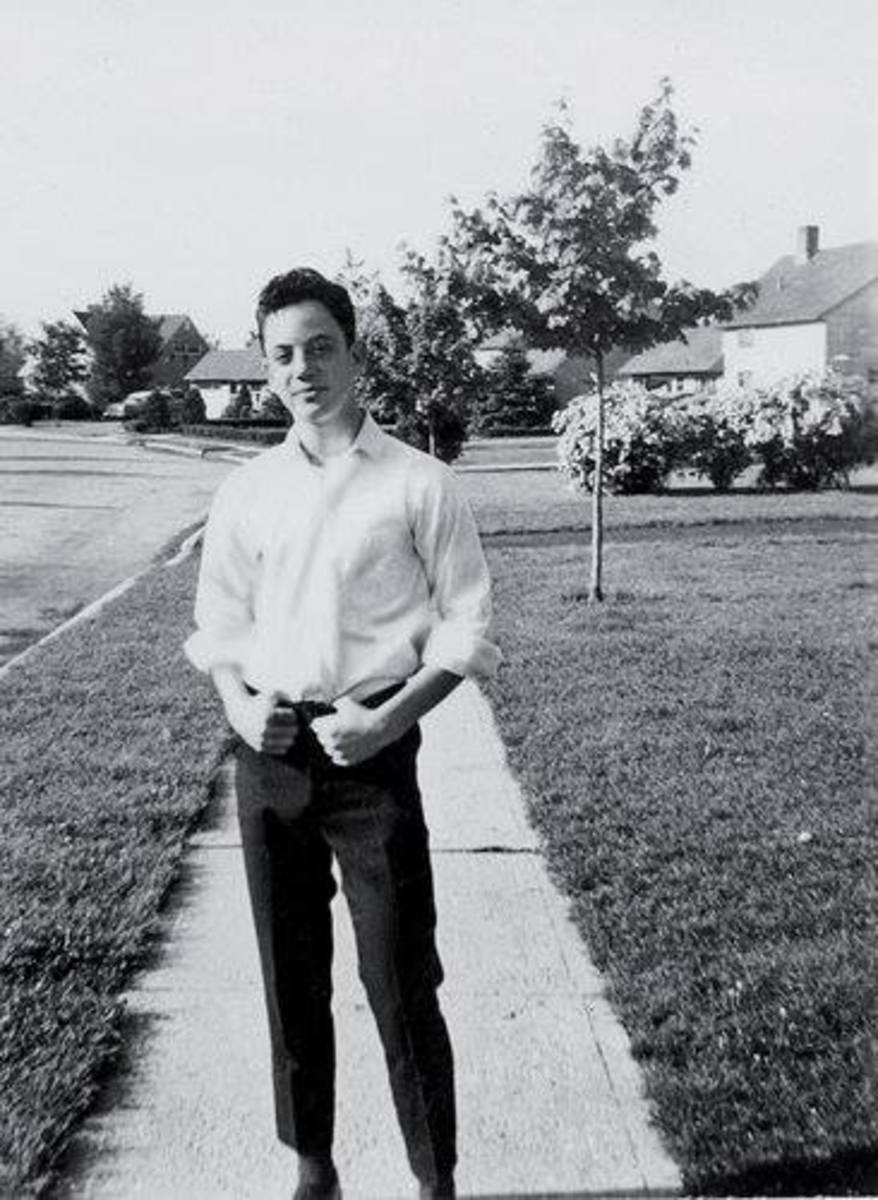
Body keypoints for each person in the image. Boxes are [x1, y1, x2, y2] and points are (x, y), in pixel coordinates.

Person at [185, 268, 500, 1199]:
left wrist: (389, 719)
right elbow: (219, 624)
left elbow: (466, 628)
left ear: (355, 355)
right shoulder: (246, 491)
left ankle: (434, 1179)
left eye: (321, 347)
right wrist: (240, 707)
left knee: (400, 976)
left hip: (372, 754)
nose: (303, 369)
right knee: (291, 978)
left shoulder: (419, 482)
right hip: (271, 752)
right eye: (283, 354)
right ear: (266, 368)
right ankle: (313, 1168)